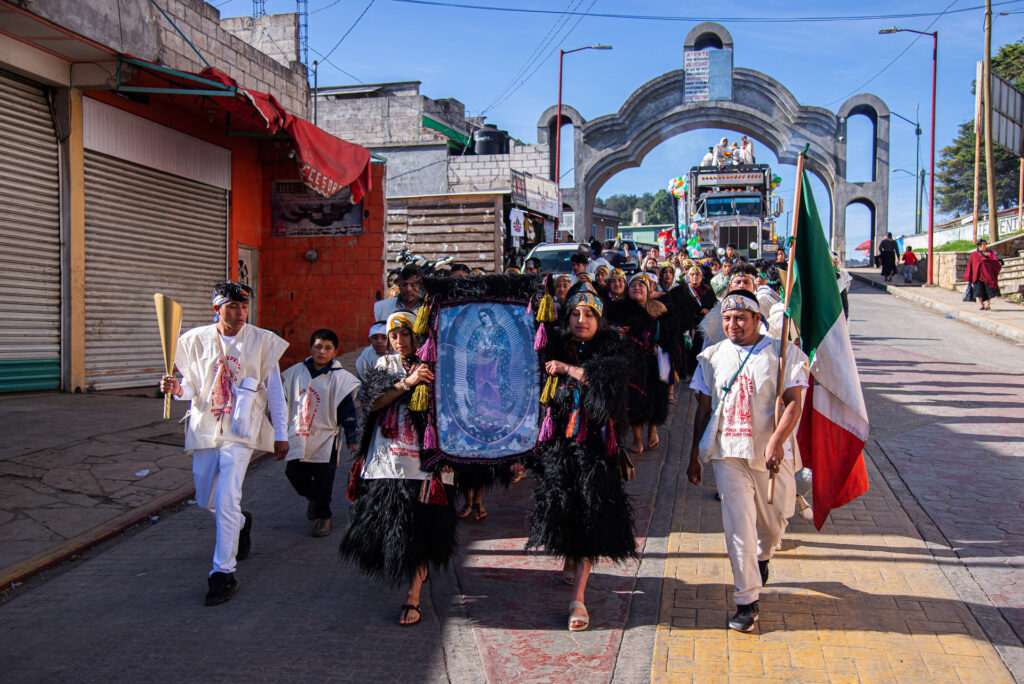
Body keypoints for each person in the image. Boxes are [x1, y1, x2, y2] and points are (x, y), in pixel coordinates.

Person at [159, 281, 289, 606]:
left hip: (241, 432)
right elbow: (193, 387)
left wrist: (282, 433)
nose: (240, 312)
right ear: (216, 308)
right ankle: (241, 524)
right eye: (232, 306)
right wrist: (176, 389)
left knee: (228, 498)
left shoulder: (262, 342)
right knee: (206, 499)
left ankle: (223, 573)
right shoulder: (194, 341)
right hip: (205, 427)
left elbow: (274, 391)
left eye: (244, 306)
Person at [686, 289, 809, 632]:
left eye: (741, 318)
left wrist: (777, 441)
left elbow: (793, 403)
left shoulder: (783, 354)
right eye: (726, 318)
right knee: (738, 525)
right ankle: (746, 601)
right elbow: (704, 409)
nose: (733, 324)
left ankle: (765, 555)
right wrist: (695, 456)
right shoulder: (710, 356)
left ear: (759, 320)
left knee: (774, 524)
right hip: (728, 453)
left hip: (771, 455)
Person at [527, 289, 637, 631]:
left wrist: (566, 370)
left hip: (595, 450)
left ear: (599, 318)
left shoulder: (614, 350)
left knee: (590, 516)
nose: (581, 320)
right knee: (564, 511)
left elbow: (602, 383)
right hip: (559, 449)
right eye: (575, 314)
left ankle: (578, 599)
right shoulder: (553, 345)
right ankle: (571, 559)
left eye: (589, 314)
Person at [339, 311, 456, 626]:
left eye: (406, 334)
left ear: (418, 336)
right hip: (389, 459)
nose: (400, 341)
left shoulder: (436, 365)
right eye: (394, 336)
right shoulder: (384, 366)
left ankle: (413, 595)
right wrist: (408, 382)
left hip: (426, 462)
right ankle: (413, 576)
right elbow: (374, 403)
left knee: (420, 525)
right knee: (397, 525)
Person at [280, 329, 360, 538]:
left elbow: (347, 411)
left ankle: (323, 516)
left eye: (327, 348)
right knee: (294, 473)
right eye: (317, 347)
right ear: (310, 348)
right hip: (299, 434)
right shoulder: (295, 372)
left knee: (324, 480)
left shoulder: (340, 379)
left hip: (326, 439)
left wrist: (352, 436)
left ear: (335, 351)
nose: (322, 352)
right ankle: (313, 499)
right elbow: (283, 403)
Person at [965, 239, 1003, 311]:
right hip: (978, 275)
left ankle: (988, 305)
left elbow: (994, 261)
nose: (983, 246)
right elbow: (971, 265)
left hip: (988, 275)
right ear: (978, 246)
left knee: (988, 290)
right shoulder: (974, 254)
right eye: (982, 245)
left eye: (984, 244)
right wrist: (970, 276)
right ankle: (982, 305)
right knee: (979, 291)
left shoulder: (990, 252)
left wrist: (999, 262)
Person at [355, 322, 389, 389]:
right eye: (375, 338)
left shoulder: (397, 354)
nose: (379, 341)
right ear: (369, 340)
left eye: (384, 337)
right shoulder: (366, 354)